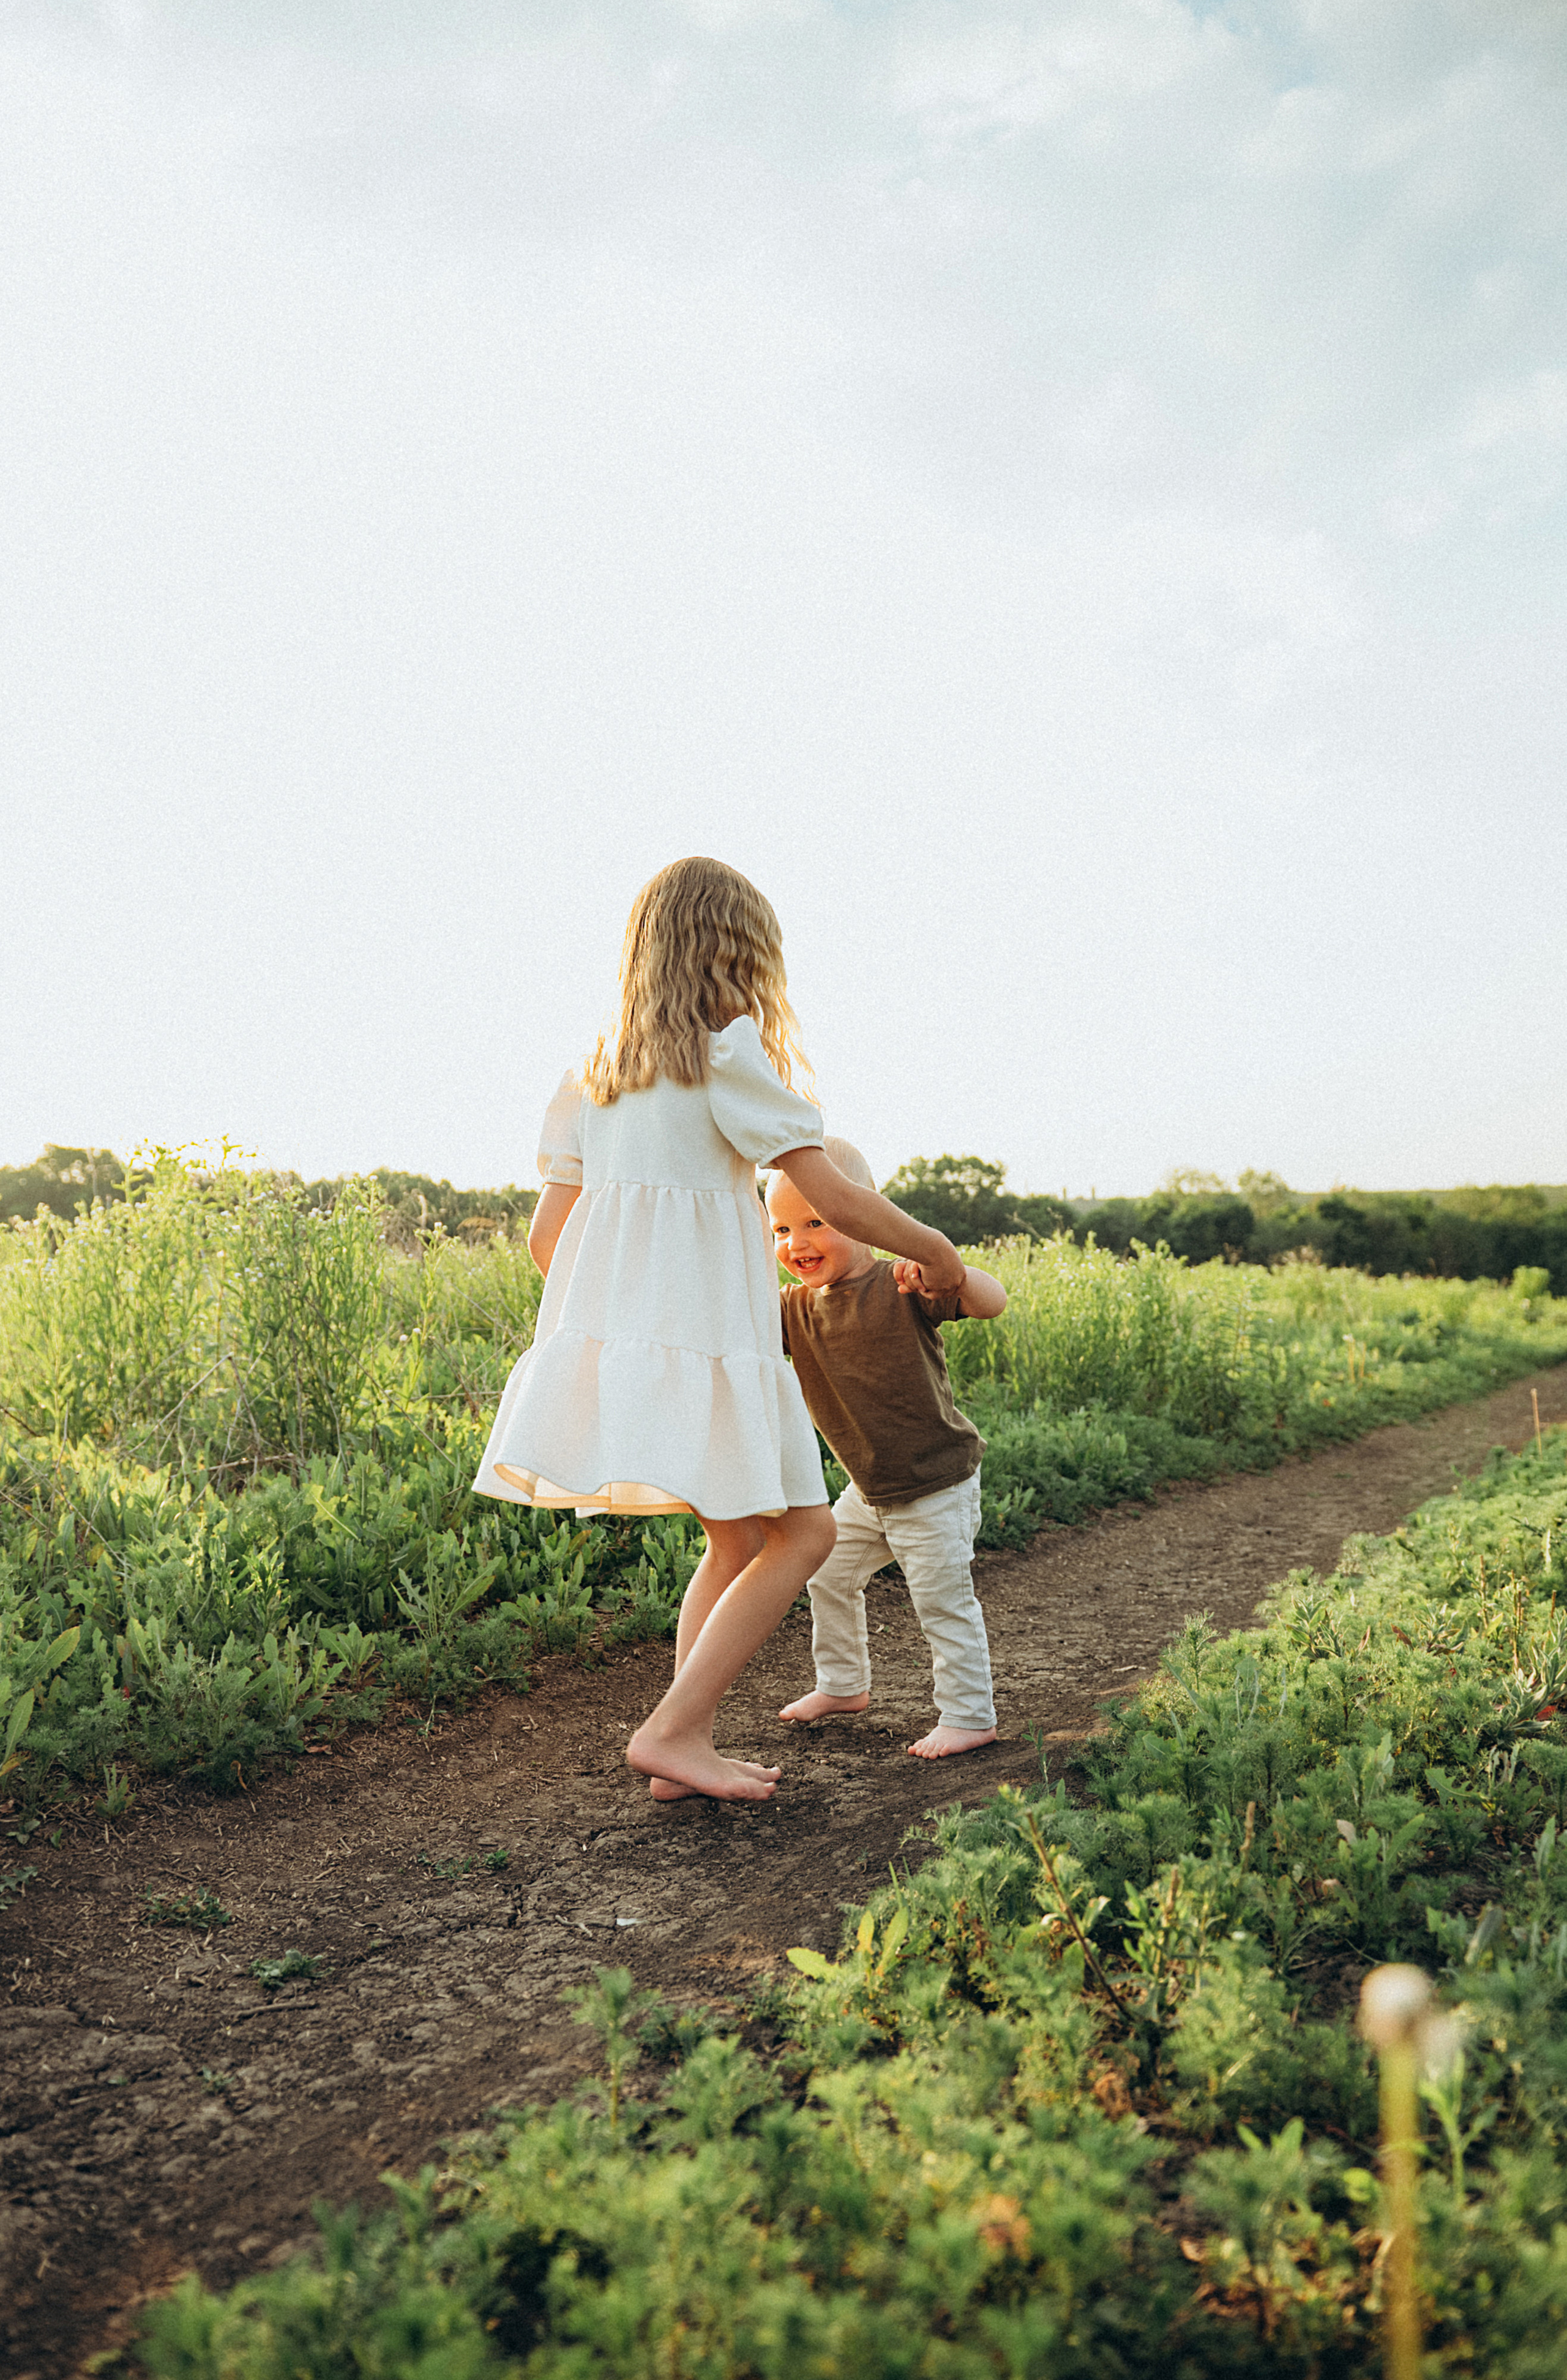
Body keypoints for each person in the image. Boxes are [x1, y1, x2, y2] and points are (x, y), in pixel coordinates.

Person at [473, 857, 967, 1803]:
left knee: (738, 1545)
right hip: (711, 1349)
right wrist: (935, 1247)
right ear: (738, 955)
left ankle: (682, 1749)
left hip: (635, 1352)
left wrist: (625, 1334)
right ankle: (667, 1734)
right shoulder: (727, 1054)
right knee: (809, 1535)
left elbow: (550, 1238)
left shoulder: (595, 1074)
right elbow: (831, 1197)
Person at [767, 1137, 1008, 1760]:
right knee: (825, 1571)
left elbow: (988, 1301)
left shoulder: (899, 1284)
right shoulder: (792, 1310)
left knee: (940, 1601)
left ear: (865, 1213)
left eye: (817, 1220)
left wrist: (942, 1268)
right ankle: (843, 1685)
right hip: (868, 1490)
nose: (797, 1242)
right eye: (782, 1228)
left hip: (933, 1484)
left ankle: (968, 1715)